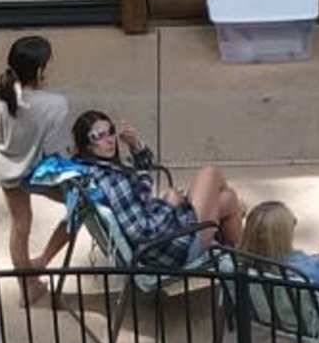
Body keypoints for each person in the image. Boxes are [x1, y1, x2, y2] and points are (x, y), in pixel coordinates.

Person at [47, 107, 244, 275]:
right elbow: (142, 232)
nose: (109, 140)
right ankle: (246, 267)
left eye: (110, 132)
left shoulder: (96, 169)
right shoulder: (112, 181)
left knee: (227, 199)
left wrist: (134, 145)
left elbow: (143, 172)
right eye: (98, 136)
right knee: (210, 174)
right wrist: (169, 204)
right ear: (87, 145)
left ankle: (241, 262)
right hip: (170, 249)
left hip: (164, 236)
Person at [0, 35, 75, 293]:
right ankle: (43, 261)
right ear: (39, 70)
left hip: (5, 169)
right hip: (35, 172)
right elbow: (54, 150)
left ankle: (27, 285)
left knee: (20, 225)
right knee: (79, 205)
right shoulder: (55, 105)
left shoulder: (0, 93)